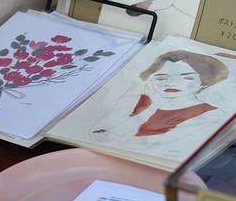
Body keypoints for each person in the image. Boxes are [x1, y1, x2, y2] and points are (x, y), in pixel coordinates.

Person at [90, 50, 228, 143]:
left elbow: (165, 144)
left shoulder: (211, 114)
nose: (171, 83)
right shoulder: (145, 104)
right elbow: (101, 133)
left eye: (187, 77)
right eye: (161, 78)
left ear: (204, 82)